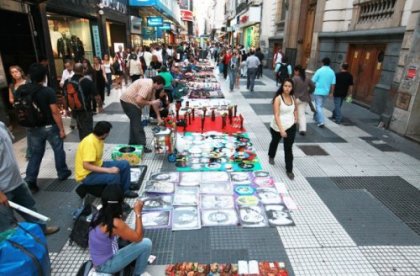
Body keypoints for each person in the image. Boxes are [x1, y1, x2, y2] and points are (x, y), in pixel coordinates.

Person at [0, 122, 60, 235]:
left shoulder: (1, 125)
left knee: (30, 208)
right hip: (2, 190)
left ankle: (41, 230)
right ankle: (16, 246)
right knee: (7, 224)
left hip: (16, 181)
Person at [23, 63, 72, 193]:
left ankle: (30, 179)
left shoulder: (21, 90)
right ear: (44, 77)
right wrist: (61, 129)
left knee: (36, 154)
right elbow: (55, 112)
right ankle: (62, 172)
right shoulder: (47, 91)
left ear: (29, 76)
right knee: (58, 149)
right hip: (50, 126)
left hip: (33, 128)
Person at [89, 185, 152, 275]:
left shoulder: (99, 213)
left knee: (135, 233)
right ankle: (138, 274)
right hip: (106, 265)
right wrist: (138, 213)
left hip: (98, 260)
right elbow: (138, 238)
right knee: (146, 243)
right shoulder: (115, 223)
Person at [74, 121, 137, 198]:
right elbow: (86, 165)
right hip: (86, 175)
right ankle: (116, 200)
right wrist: (109, 170)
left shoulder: (98, 138)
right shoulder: (90, 143)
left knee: (124, 164)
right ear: (105, 134)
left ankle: (125, 190)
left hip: (98, 165)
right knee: (114, 176)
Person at [120, 76, 165, 151]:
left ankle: (132, 144)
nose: (160, 88)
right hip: (129, 102)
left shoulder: (152, 87)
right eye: (160, 86)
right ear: (157, 83)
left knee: (134, 123)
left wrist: (158, 117)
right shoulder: (147, 85)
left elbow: (154, 103)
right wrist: (151, 102)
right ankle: (142, 145)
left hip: (131, 102)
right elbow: (138, 100)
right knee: (137, 125)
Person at [64, 63, 103, 140]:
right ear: (83, 70)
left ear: (73, 70)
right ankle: (87, 148)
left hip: (74, 110)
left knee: (80, 129)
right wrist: (100, 106)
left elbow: (64, 97)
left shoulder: (67, 81)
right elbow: (97, 96)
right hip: (86, 111)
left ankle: (82, 143)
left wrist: (66, 109)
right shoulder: (87, 81)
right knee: (88, 131)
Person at [268, 79, 297, 180]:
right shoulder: (278, 99)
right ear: (282, 86)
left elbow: (295, 109)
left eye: (289, 86)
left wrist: (295, 120)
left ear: (292, 88)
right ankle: (271, 156)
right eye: (285, 86)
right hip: (278, 126)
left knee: (288, 148)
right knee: (275, 142)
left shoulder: (293, 97)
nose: (287, 88)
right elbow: (276, 115)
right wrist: (281, 130)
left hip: (291, 126)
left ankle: (289, 170)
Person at [311, 57, 336, 128]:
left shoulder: (319, 70)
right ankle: (316, 117)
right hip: (326, 92)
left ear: (322, 63)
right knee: (320, 106)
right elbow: (333, 83)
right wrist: (332, 93)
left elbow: (313, 80)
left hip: (318, 91)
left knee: (318, 106)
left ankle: (321, 121)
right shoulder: (332, 72)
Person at [292, 65, 315, 136]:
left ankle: (293, 125)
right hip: (304, 99)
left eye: (295, 71)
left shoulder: (295, 78)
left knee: (293, 112)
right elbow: (313, 86)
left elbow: (291, 88)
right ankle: (302, 129)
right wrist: (309, 92)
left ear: (297, 71)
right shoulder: (307, 79)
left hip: (295, 98)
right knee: (302, 114)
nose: (294, 72)